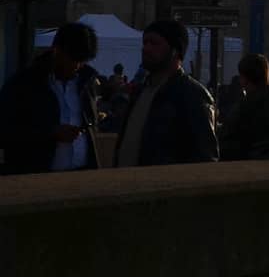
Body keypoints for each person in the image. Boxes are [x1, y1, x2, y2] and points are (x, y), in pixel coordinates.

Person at [1, 20, 104, 174]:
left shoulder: (86, 82)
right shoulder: (23, 84)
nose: (76, 66)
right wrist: (50, 133)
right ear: (56, 50)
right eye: (73, 59)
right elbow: (5, 132)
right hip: (36, 177)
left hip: (82, 175)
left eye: (81, 61)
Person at [112, 21, 218, 167]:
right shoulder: (140, 91)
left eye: (154, 43)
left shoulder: (192, 94)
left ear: (175, 50)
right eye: (145, 42)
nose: (146, 48)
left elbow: (205, 155)